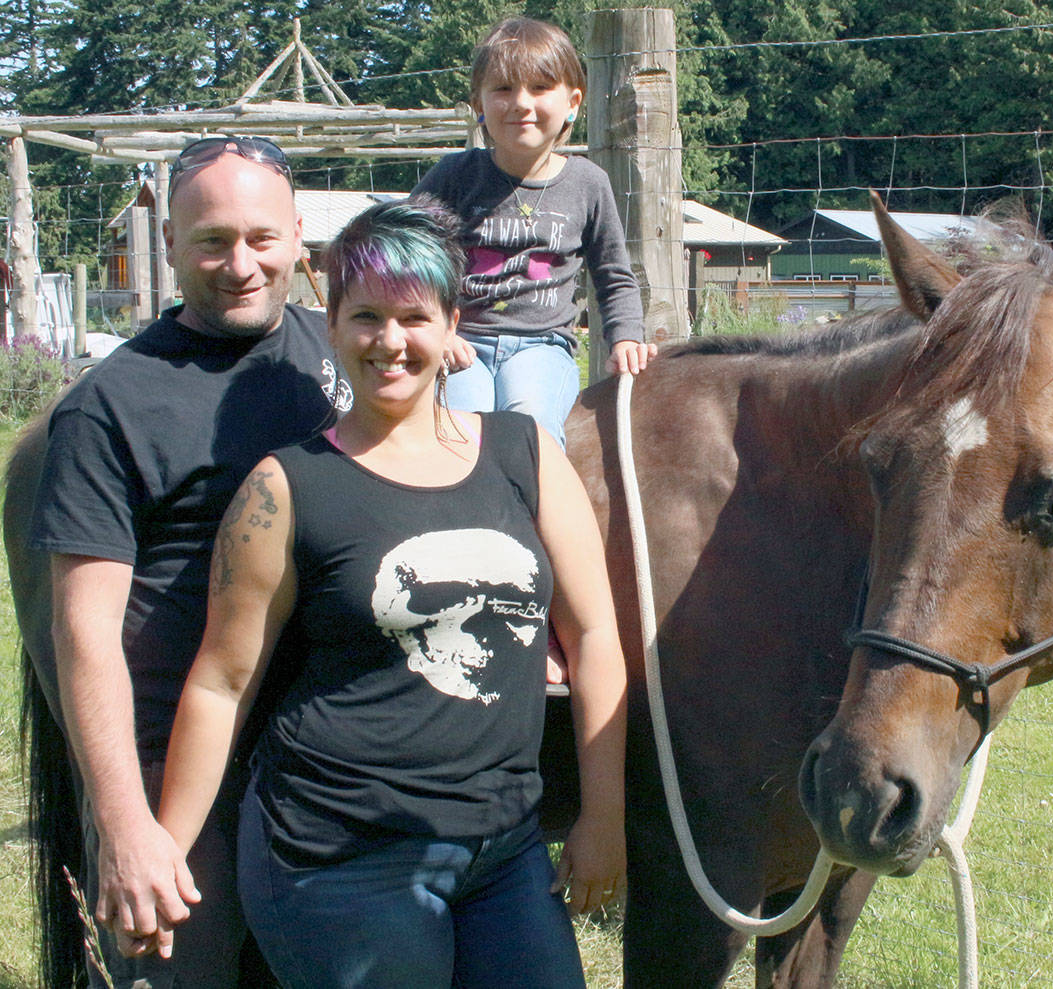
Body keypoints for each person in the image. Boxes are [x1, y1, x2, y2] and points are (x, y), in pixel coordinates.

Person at [138, 196, 627, 987]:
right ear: (330, 325)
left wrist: (603, 816)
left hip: (502, 844)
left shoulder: (524, 452)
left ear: (451, 324)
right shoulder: (287, 488)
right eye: (365, 316)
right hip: (338, 852)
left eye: (414, 317)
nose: (390, 342)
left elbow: (595, 634)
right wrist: (167, 848)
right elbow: (223, 682)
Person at [28, 136, 351, 986]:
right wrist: (127, 824)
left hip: (337, 765)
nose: (239, 264)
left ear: (298, 238)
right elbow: (84, 631)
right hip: (178, 774)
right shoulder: (111, 407)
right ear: (168, 243)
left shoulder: (350, 356)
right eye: (211, 240)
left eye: (260, 238)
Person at [411, 16, 657, 450]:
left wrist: (626, 336)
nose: (521, 103)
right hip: (461, 341)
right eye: (503, 89)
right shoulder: (455, 176)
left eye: (540, 88)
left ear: (573, 102)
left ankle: (533, 514)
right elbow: (407, 255)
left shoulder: (587, 183)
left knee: (530, 423)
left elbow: (614, 274)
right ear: (478, 104)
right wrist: (436, 331)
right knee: (459, 430)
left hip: (541, 346)